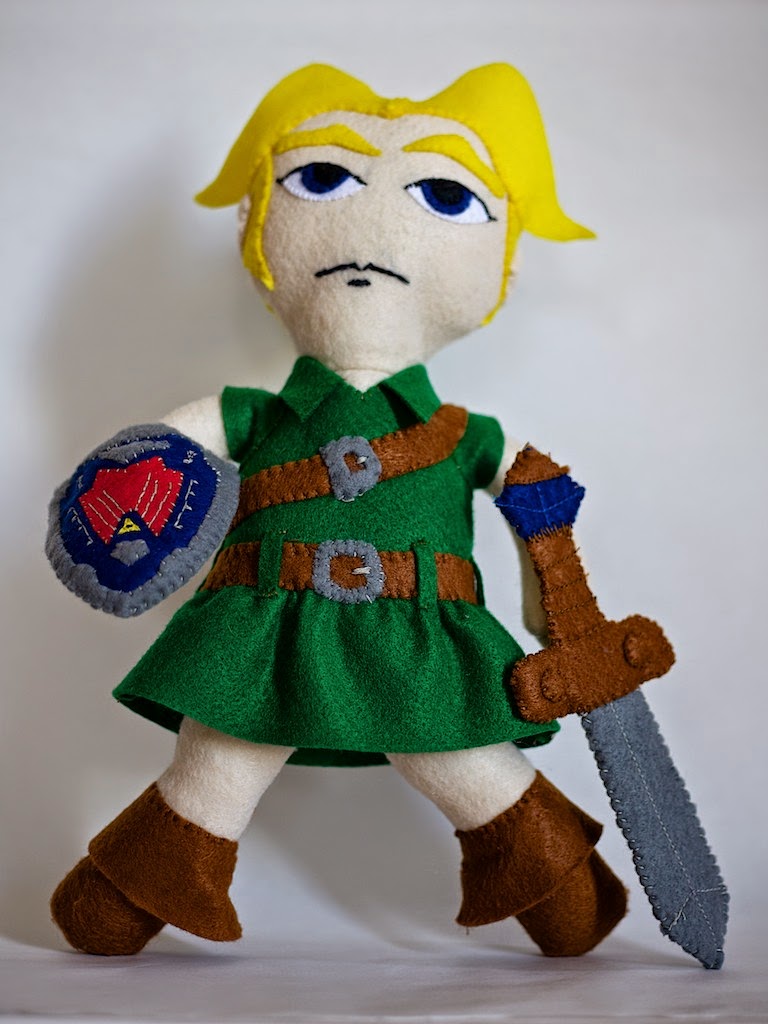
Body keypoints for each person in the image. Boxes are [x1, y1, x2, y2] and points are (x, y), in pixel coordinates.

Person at [50, 63, 627, 958]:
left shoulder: (470, 437)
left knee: (466, 761)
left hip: (422, 634)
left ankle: (556, 882)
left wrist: (562, 617)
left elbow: (542, 517)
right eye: (321, 178)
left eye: (444, 193)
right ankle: (134, 889)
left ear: (502, 254)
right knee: (218, 763)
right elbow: (149, 470)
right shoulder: (249, 415)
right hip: (262, 625)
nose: (371, 229)